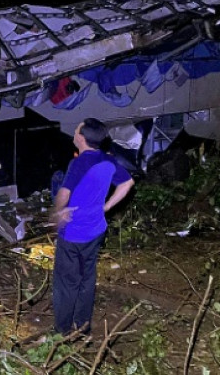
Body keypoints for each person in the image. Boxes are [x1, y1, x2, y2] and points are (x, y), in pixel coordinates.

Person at [52, 118, 135, 336]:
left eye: (77, 128)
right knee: (86, 279)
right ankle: (83, 326)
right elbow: (127, 183)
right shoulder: (108, 160)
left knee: (66, 283)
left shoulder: (79, 163)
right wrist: (105, 207)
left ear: (82, 138)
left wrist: (58, 212)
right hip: (96, 229)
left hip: (74, 232)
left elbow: (64, 193)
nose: (75, 130)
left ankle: (62, 331)